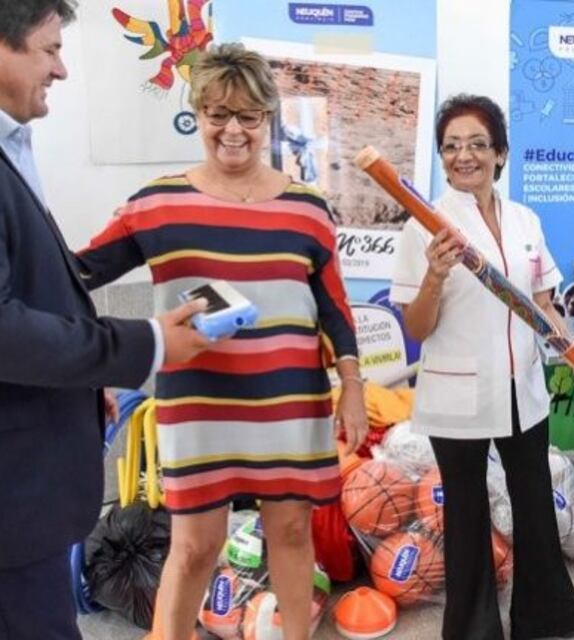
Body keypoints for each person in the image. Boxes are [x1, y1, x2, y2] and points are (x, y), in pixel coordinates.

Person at [74, 44, 369, 640]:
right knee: (195, 547)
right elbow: (75, 276)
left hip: (290, 403)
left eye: (248, 116)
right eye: (217, 113)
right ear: (198, 114)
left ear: (268, 120)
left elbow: (335, 309)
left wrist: (354, 386)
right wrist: (95, 358)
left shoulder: (307, 208)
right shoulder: (156, 204)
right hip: (199, 405)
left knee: (291, 534)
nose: (232, 130)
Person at [0, 1, 212, 638]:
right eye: (49, 49)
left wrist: (142, 236)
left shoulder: (14, 152)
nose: (62, 70)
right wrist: (145, 342)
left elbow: (50, 281)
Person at [390, 94, 574, 640]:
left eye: (477, 144)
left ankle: (544, 616)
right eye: (452, 146)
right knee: (467, 511)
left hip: (522, 385)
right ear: (441, 155)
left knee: (533, 503)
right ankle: (473, 630)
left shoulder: (526, 220)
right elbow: (416, 327)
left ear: (500, 154)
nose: (464, 156)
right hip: (457, 392)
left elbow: (545, 305)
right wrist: (433, 275)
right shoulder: (424, 226)